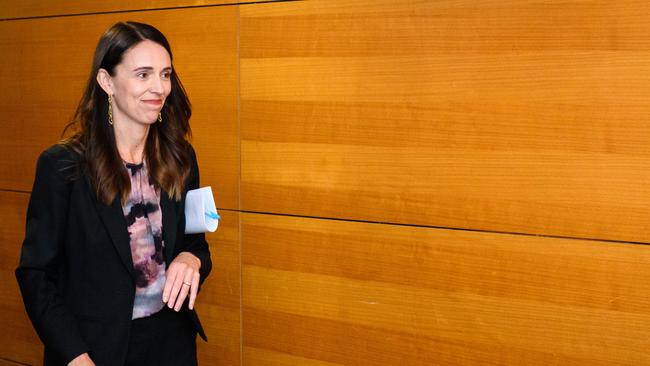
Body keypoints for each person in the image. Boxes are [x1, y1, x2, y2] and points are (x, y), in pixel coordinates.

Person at [15, 21, 212, 366]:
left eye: (165, 74)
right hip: (93, 351)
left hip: (172, 346)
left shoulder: (180, 157)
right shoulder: (63, 167)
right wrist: (76, 357)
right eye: (143, 75)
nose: (159, 87)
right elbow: (36, 276)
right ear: (107, 82)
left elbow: (197, 245)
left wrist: (190, 259)